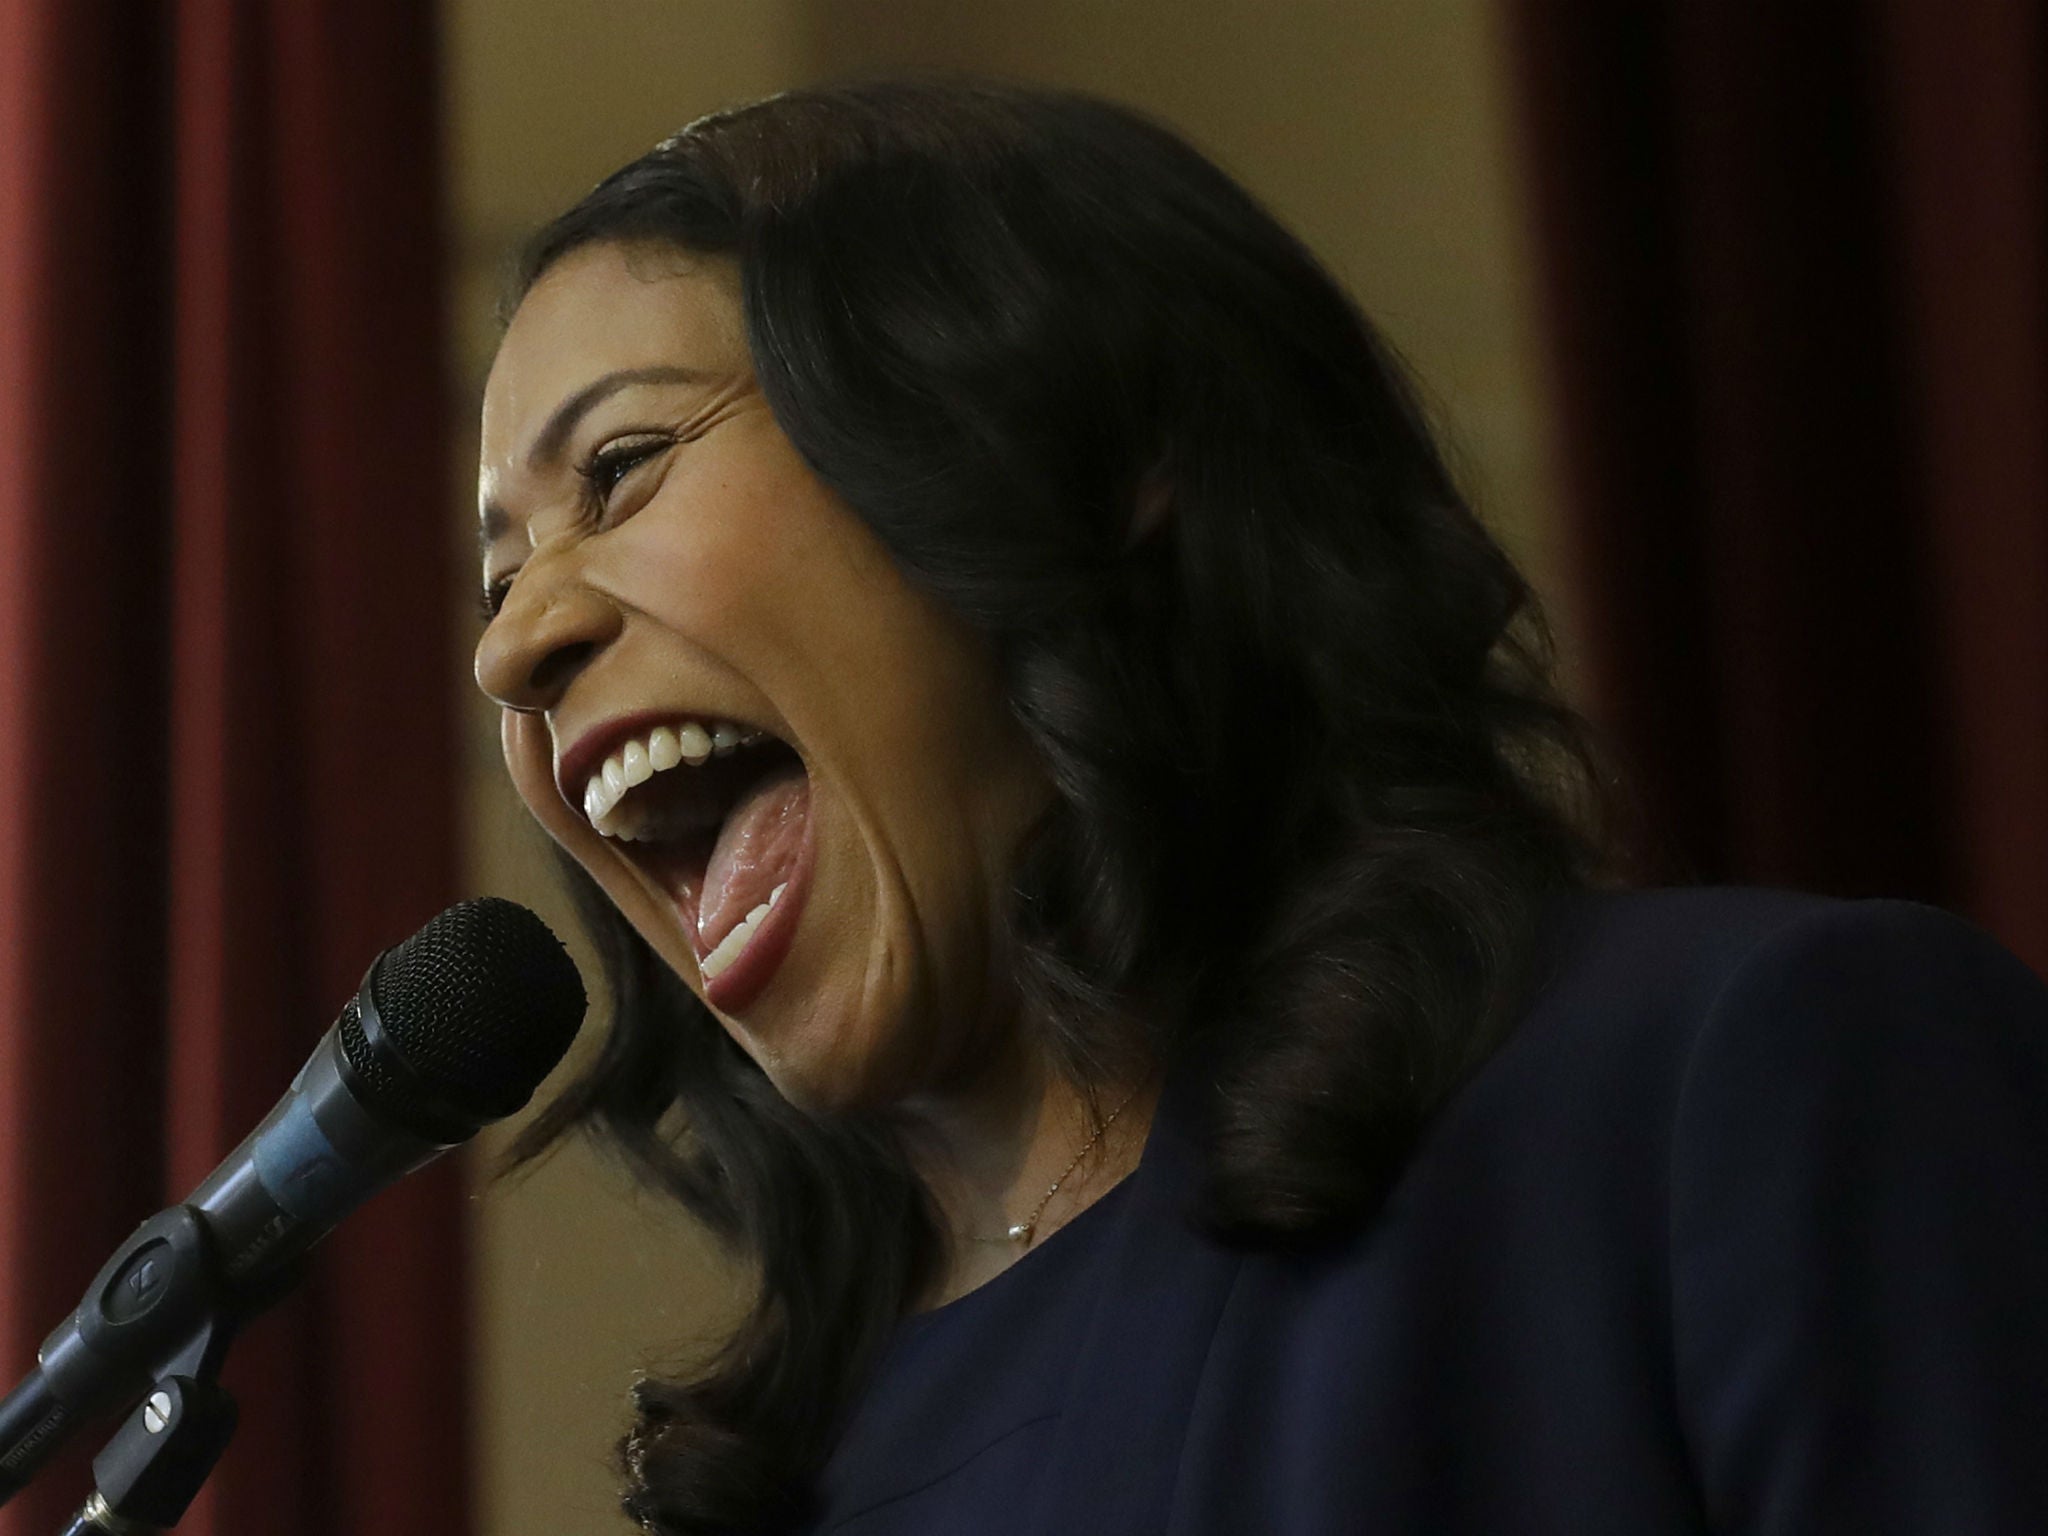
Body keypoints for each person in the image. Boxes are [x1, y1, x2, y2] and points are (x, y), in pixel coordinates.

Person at [471, 80, 2048, 1536]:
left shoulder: (1744, 1083)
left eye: (620, 466)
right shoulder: (797, 1477)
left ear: (1079, 448)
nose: (511, 644)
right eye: (496, 573)